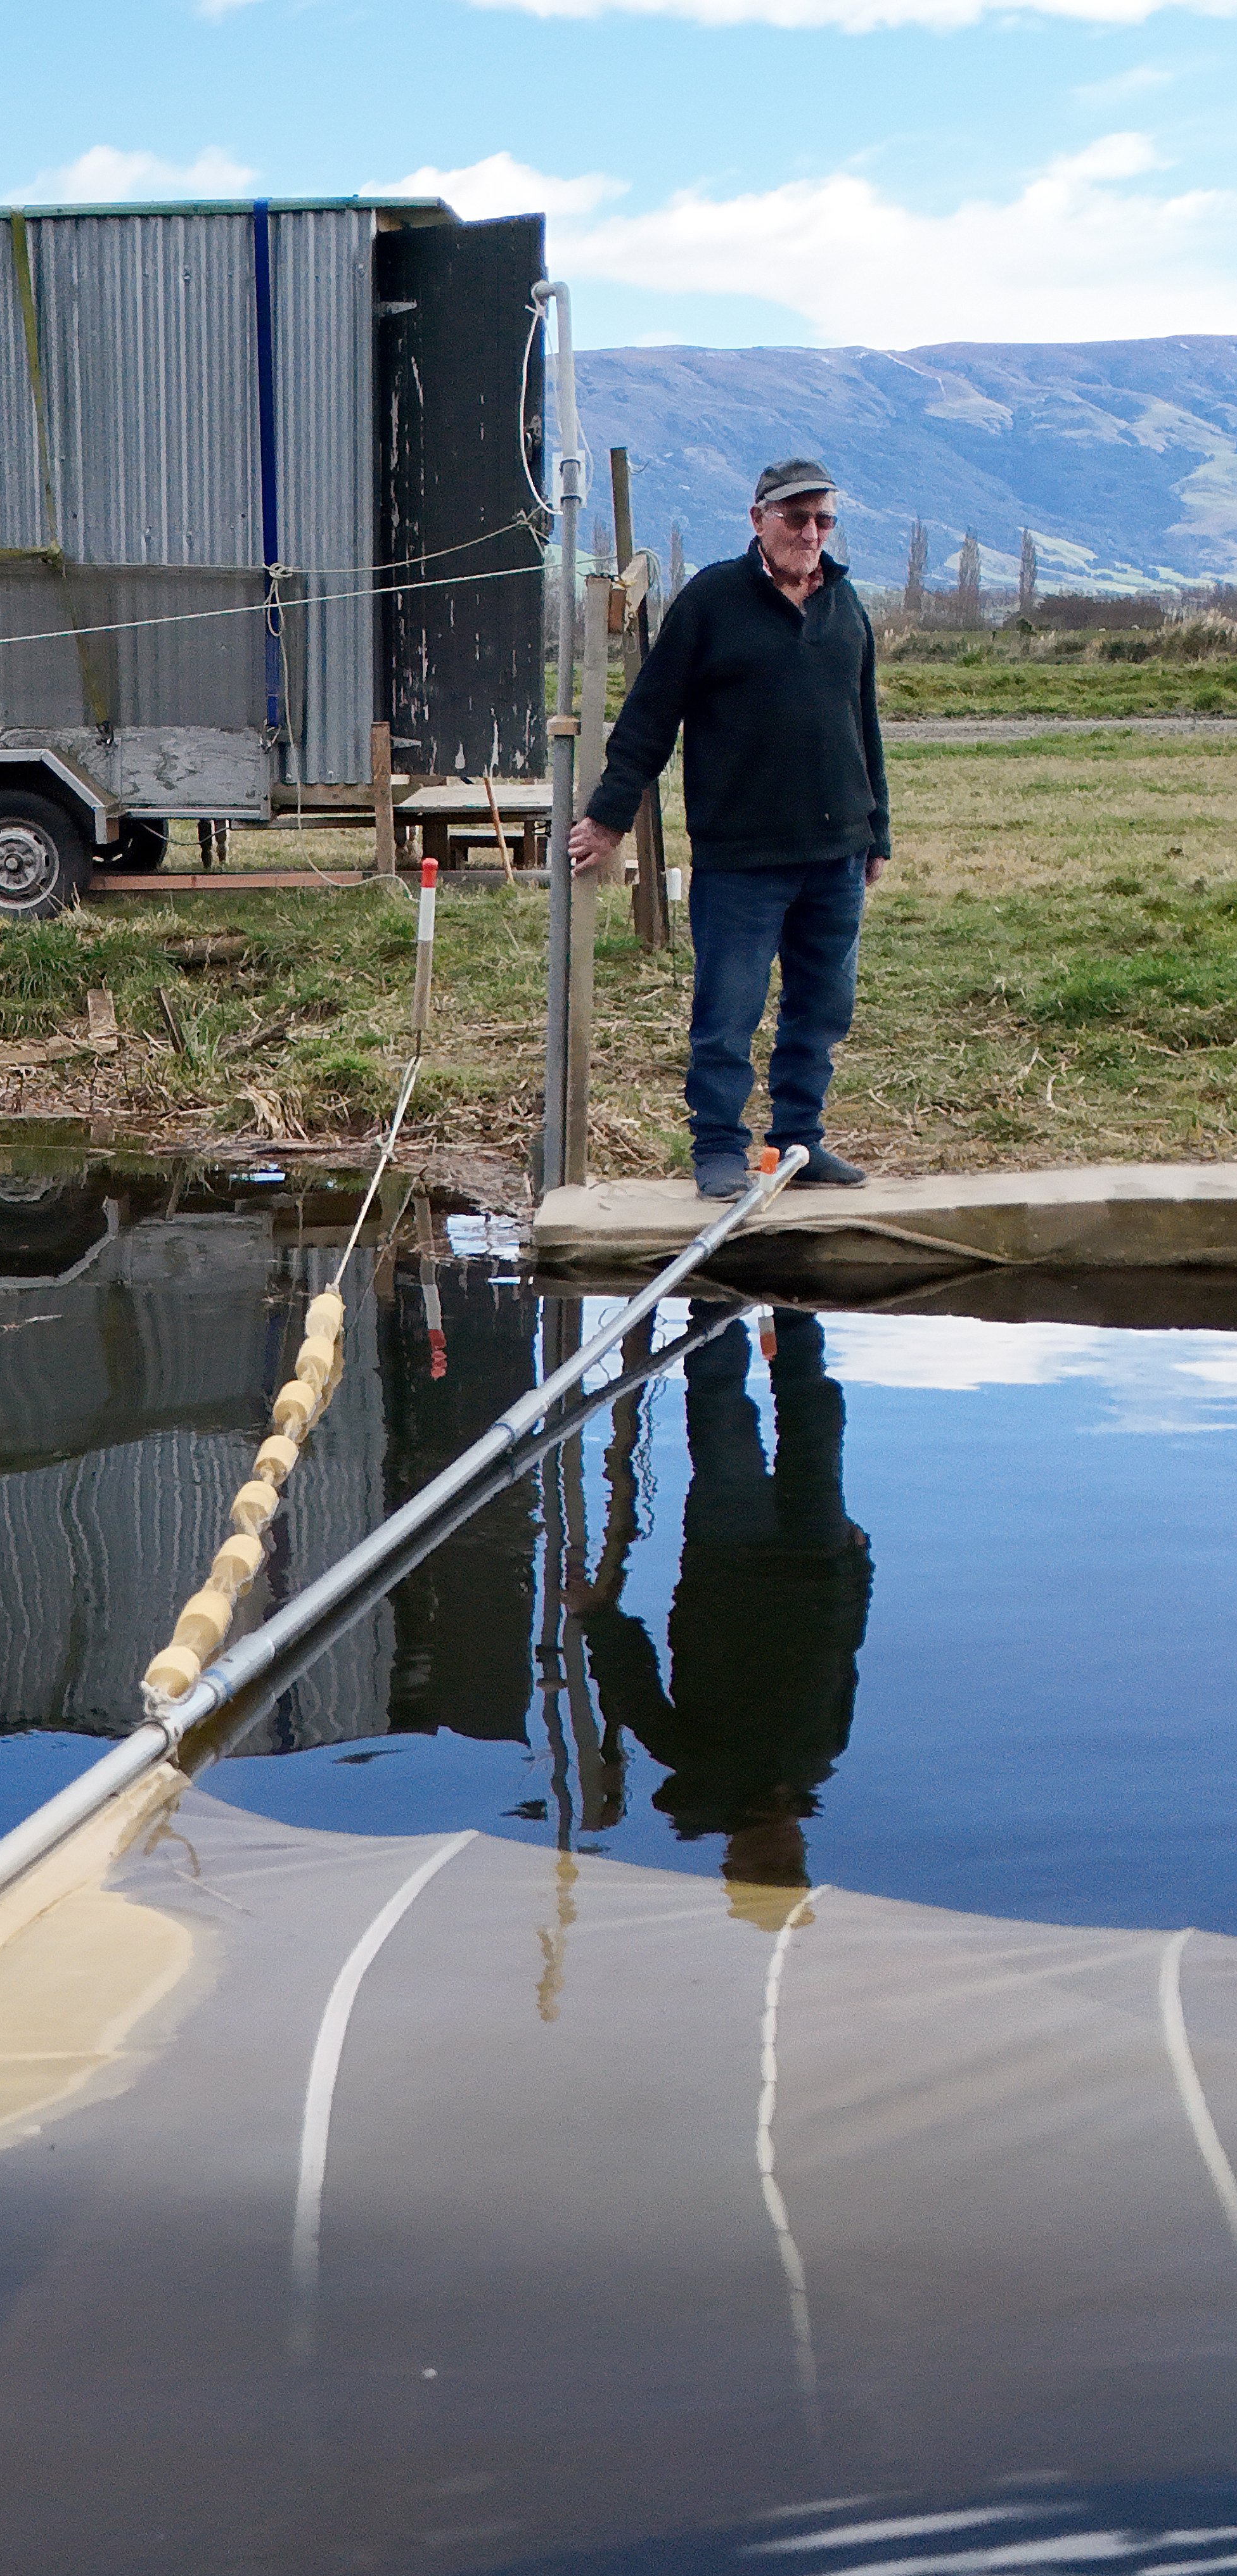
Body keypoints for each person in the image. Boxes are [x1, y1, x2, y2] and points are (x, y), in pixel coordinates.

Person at [568, 459, 891, 1201]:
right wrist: (610, 818)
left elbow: (863, 726)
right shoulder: (712, 600)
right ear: (758, 520)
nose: (811, 533)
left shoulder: (846, 606)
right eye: (796, 518)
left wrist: (878, 833)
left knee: (822, 1008)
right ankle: (719, 1149)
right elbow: (650, 717)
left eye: (823, 520)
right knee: (728, 1013)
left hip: (836, 854)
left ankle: (798, 1143)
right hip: (741, 858)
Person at [576, 1308, 872, 1915]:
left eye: (767, 1866)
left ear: (731, 1860)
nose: (781, 1849)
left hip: (727, 1560)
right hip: (818, 1560)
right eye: (791, 1864)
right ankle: (793, 1308)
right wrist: (859, 1568)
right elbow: (845, 1655)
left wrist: (600, 1619)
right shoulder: (820, 1759)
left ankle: (714, 1309)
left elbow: (636, 1692)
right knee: (815, 1420)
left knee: (720, 1423)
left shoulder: (701, 1770)